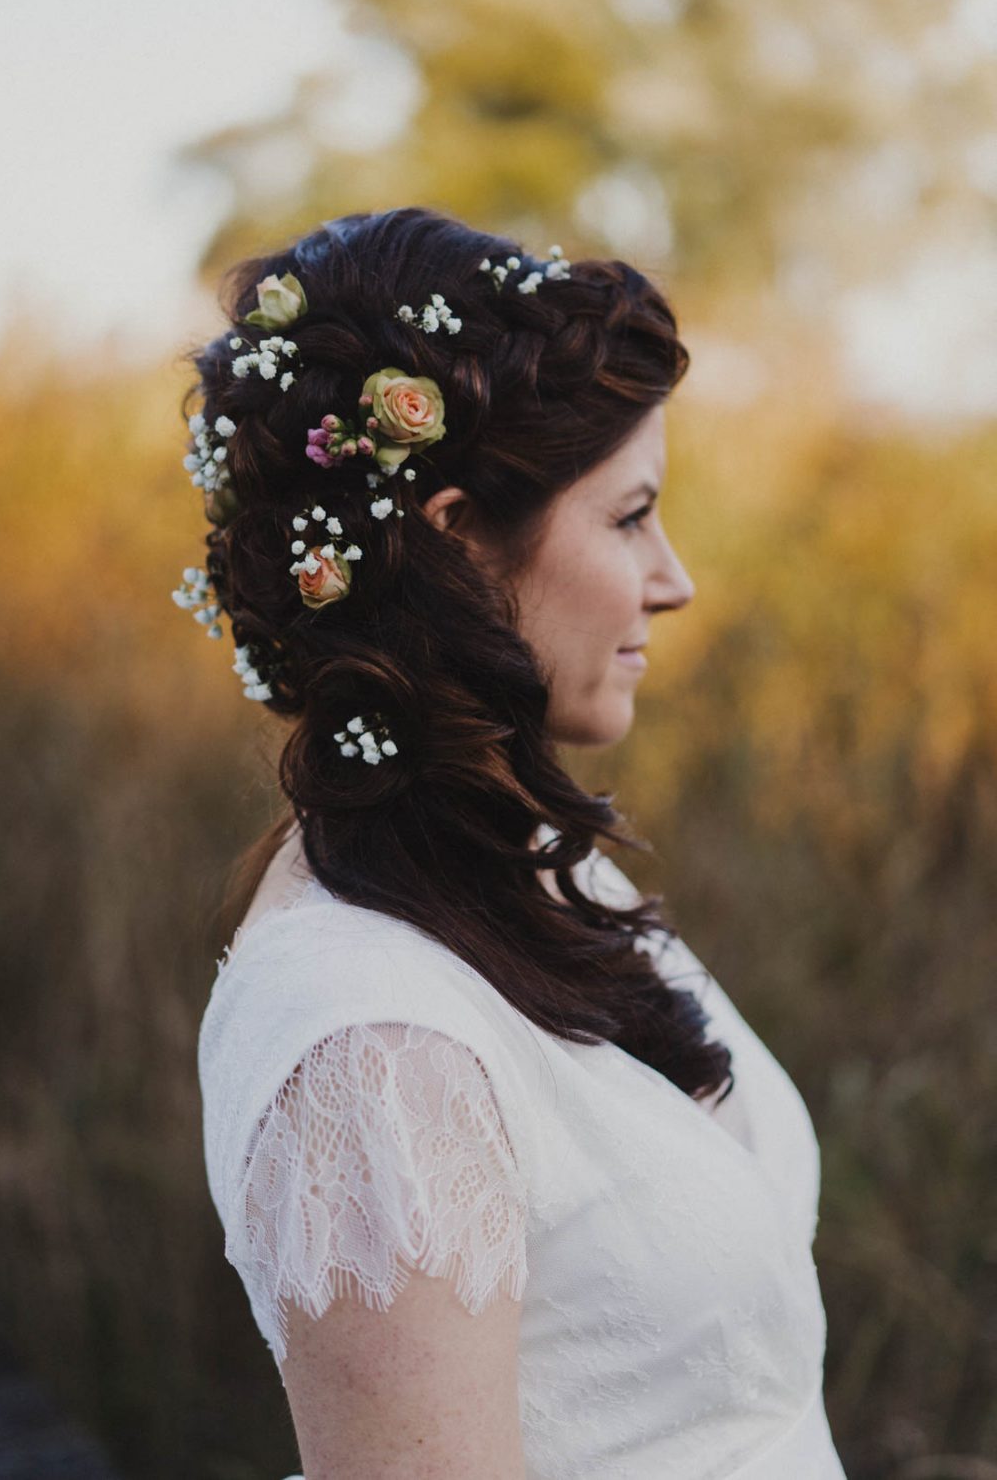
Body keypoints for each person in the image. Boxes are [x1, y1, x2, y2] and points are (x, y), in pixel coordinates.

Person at [189, 206, 847, 1478]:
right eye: (628, 516)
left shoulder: (531, 865)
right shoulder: (371, 1049)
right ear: (453, 544)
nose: (674, 578)